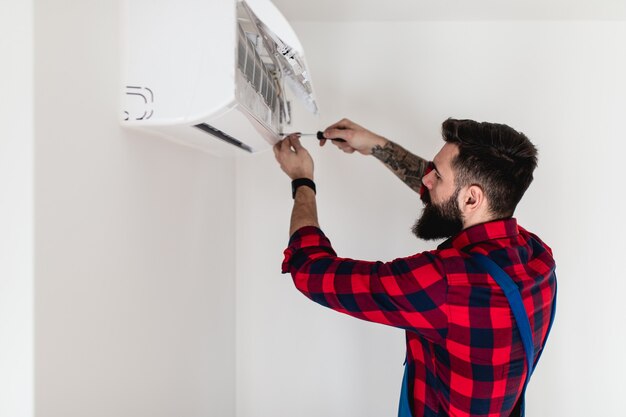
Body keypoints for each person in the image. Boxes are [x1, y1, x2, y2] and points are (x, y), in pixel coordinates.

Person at [274, 118, 557, 417]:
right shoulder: (538, 258)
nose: (426, 180)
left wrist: (302, 180)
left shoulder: (445, 284)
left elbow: (311, 271)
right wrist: (373, 144)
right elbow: (448, 203)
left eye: (436, 175)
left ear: (472, 198)